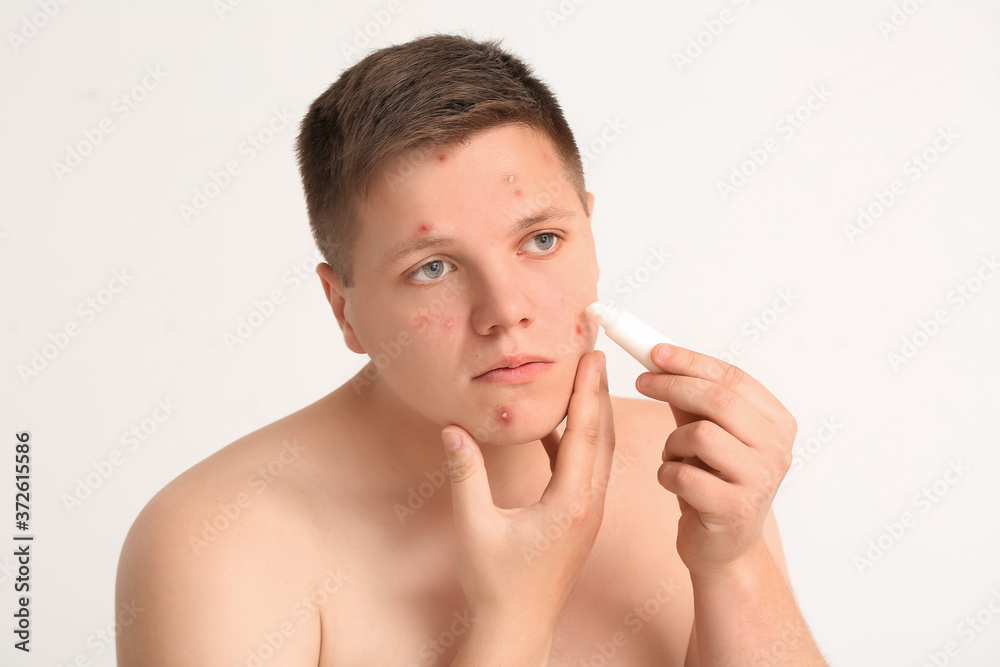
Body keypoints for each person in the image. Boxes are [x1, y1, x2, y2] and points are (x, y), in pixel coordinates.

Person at [115, 33, 828, 666]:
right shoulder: (219, 545)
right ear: (345, 309)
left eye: (541, 240)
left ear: (590, 230)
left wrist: (732, 560)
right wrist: (513, 620)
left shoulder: (690, 467)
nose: (507, 310)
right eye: (433, 267)